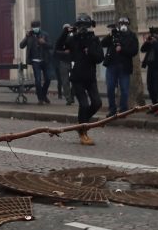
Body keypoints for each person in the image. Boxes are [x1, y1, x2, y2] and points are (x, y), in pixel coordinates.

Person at [62, 13, 103, 145]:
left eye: (85, 26)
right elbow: (60, 46)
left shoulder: (94, 40)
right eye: (80, 26)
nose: (83, 28)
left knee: (97, 103)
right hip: (77, 77)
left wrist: (89, 51)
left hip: (90, 77)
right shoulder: (73, 39)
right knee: (84, 104)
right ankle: (83, 131)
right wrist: (67, 33)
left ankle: (82, 123)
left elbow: (99, 58)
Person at [100, 16, 139, 116]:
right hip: (112, 66)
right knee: (110, 88)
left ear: (128, 24)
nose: (123, 25)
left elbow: (134, 51)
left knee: (125, 90)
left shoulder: (132, 36)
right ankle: (112, 109)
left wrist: (122, 49)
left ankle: (123, 110)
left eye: (125, 23)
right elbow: (103, 44)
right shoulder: (114, 34)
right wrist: (110, 34)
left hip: (124, 67)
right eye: (121, 23)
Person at [20, 19, 52, 104]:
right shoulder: (29, 36)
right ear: (32, 27)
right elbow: (21, 46)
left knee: (48, 79)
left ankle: (43, 94)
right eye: (33, 27)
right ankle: (40, 99)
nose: (35, 28)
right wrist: (26, 36)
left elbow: (50, 46)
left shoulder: (45, 34)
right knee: (37, 80)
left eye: (36, 27)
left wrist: (44, 43)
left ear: (39, 27)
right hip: (35, 61)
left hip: (45, 60)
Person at [54, 24, 74, 106]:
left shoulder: (73, 38)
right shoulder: (61, 39)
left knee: (75, 81)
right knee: (65, 82)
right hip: (64, 62)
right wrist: (64, 53)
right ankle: (69, 98)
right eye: (66, 29)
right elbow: (56, 50)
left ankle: (72, 96)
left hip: (72, 62)